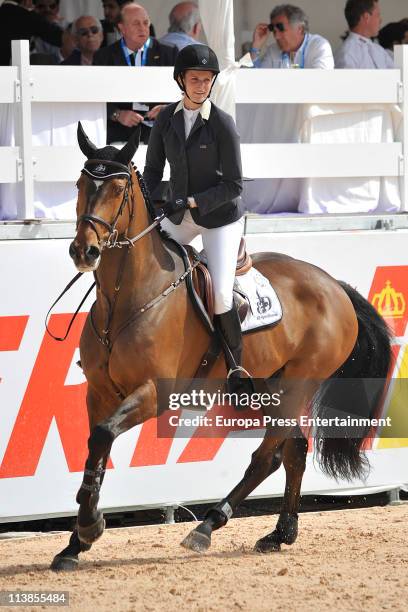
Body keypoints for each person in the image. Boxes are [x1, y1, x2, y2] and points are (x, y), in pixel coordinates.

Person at [143, 44, 250, 401]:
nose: (202, 85)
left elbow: (234, 184)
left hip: (218, 219)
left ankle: (236, 367)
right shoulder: (164, 120)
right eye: (195, 79)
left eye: (207, 80)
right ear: (181, 80)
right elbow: (153, 171)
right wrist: (155, 200)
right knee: (146, 267)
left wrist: (192, 200)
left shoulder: (222, 124)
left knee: (220, 294)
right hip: (179, 215)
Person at [93, 2, 177, 144]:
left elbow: (184, 91)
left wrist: (166, 109)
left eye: (145, 23)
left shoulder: (168, 52)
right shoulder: (104, 56)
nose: (142, 28)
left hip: (160, 131)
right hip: (118, 133)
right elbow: (94, 94)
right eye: (136, 23)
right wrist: (117, 114)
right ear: (122, 28)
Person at [250, 4, 334, 69]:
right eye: (273, 30)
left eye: (281, 28)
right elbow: (251, 80)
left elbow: (320, 82)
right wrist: (255, 47)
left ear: (300, 29)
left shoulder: (319, 46)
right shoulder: (273, 50)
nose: (276, 36)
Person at [0, 0, 66, 66]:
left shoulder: (65, 26)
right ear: (27, 1)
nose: (47, 10)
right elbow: (63, 38)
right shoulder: (28, 17)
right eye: (40, 6)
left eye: (52, 6)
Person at [334, 0, 394, 68]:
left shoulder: (380, 51)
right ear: (366, 17)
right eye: (378, 15)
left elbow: (397, 76)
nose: (380, 20)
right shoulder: (347, 54)